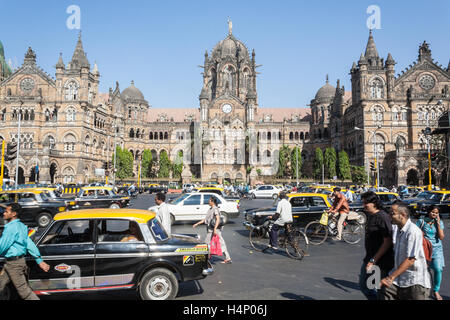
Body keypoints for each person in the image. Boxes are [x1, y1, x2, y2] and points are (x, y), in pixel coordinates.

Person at [379, 201, 431, 300]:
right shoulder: (399, 230)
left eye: (392, 213)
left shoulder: (413, 231)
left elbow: (411, 259)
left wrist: (390, 278)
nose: (389, 216)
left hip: (415, 281)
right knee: (384, 291)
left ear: (402, 215)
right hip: (399, 280)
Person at [0, 204, 50, 300]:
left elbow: (2, 246)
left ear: (14, 214)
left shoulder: (10, 228)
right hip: (14, 263)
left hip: (14, 265)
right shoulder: (22, 226)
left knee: (25, 293)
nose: (4, 213)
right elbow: (29, 244)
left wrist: (40, 261)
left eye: (6, 211)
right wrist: (40, 261)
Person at [359, 192, 394, 300]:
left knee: (375, 288)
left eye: (366, 203)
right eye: (363, 203)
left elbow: (387, 241)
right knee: (367, 286)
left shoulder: (382, 217)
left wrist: (374, 260)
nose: (364, 205)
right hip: (370, 258)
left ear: (374, 202)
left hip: (380, 261)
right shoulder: (371, 215)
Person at [416, 206, 445, 300]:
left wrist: (438, 224)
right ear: (429, 212)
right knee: (425, 271)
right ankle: (426, 289)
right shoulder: (421, 221)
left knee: (438, 269)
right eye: (433, 212)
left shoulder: (439, 223)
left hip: (437, 249)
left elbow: (441, 237)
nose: (434, 214)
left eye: (436, 213)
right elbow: (416, 234)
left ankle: (436, 290)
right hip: (425, 249)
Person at [193, 197, 232, 264]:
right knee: (208, 243)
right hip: (210, 230)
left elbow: (218, 219)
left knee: (219, 243)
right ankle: (207, 257)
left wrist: (215, 229)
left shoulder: (215, 209)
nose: (208, 202)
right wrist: (197, 223)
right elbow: (206, 219)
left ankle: (227, 258)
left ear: (212, 202)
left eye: (209, 201)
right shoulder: (210, 209)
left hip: (215, 230)